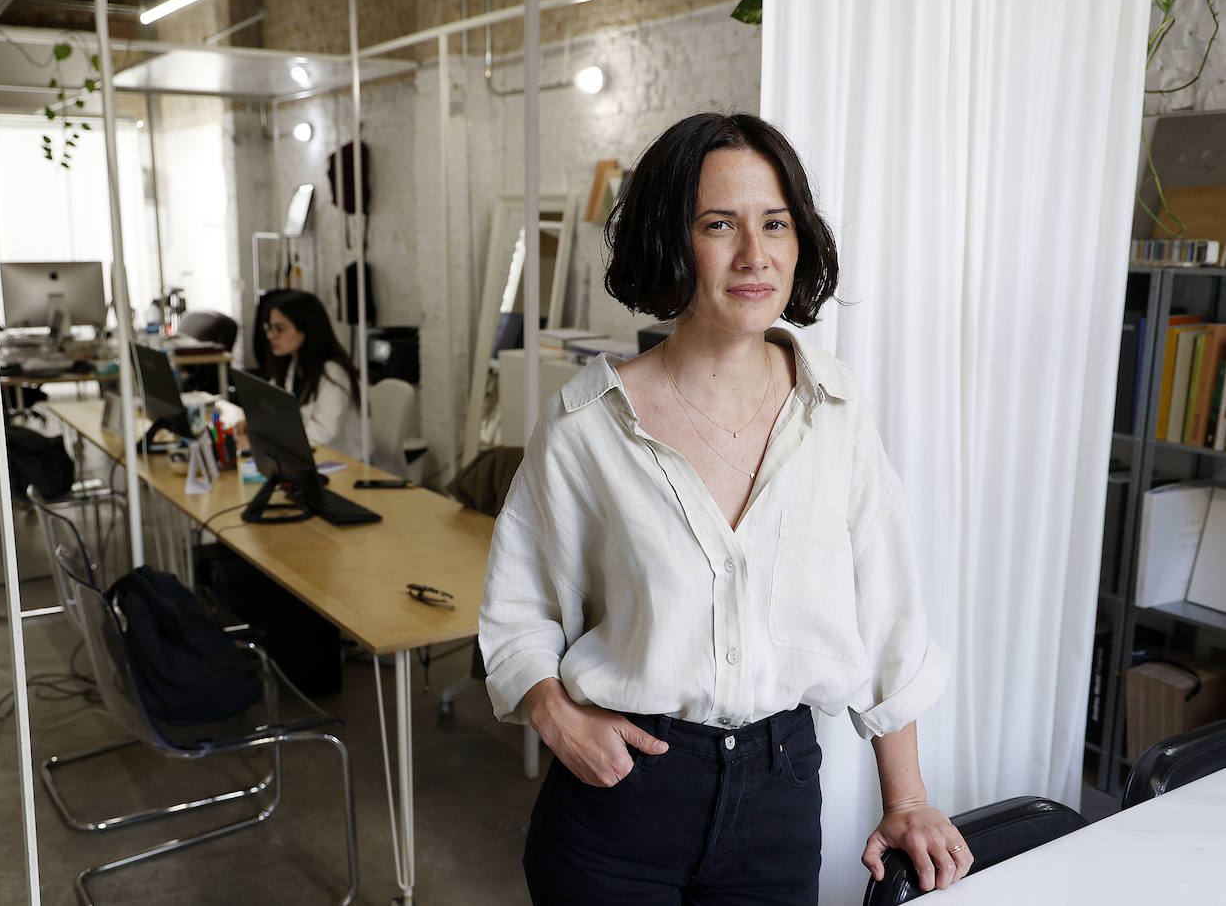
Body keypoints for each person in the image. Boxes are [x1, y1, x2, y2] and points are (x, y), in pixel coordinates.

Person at [478, 113, 971, 904]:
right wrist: (554, 711)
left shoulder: (835, 410)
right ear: (670, 243)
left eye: (775, 223)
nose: (755, 255)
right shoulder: (586, 424)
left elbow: (890, 616)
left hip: (778, 800)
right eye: (719, 224)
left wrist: (906, 801)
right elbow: (518, 608)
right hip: (621, 806)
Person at [227, 290, 369, 460]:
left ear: (306, 329)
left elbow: (322, 434)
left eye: (279, 329)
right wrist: (255, 423)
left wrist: (261, 441)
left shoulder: (334, 373)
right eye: (269, 328)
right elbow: (274, 408)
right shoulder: (291, 364)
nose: (270, 336)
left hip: (346, 464)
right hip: (310, 459)